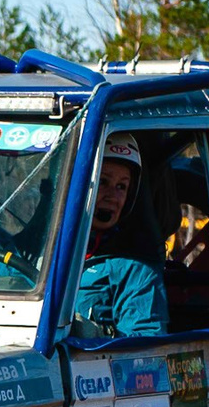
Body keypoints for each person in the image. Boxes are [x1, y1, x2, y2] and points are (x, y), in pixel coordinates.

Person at [72, 131, 168, 337]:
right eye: (103, 182)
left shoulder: (135, 268)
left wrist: (95, 334)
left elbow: (146, 344)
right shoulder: (37, 254)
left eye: (121, 187)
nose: (113, 197)